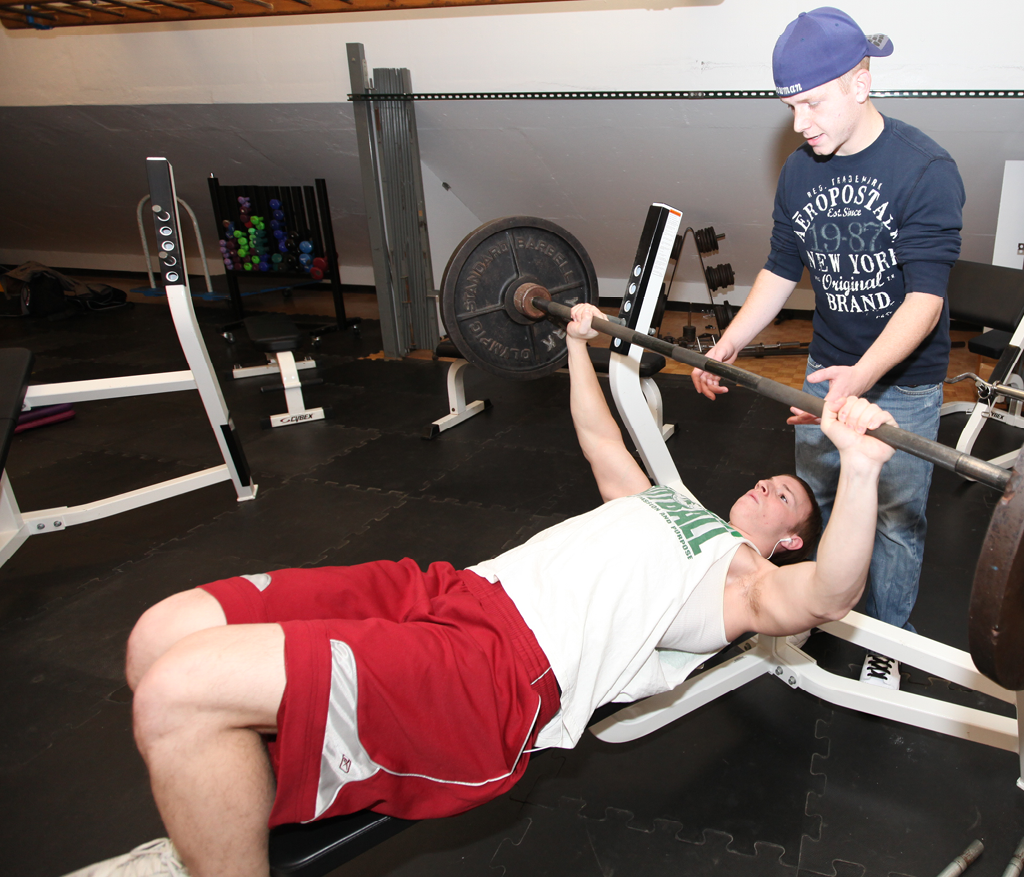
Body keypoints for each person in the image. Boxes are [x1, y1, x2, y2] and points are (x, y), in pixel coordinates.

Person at [69, 303, 900, 877]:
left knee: (181, 690)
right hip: (447, 591)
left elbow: (826, 599)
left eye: (785, 495)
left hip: (496, 673)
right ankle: (211, 827)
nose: (766, 485)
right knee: (160, 634)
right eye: (767, 478)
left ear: (791, 538)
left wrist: (856, 473)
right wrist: (578, 342)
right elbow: (596, 431)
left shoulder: (749, 588)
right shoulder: (666, 501)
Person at [691, 8, 966, 689]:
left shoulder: (925, 169)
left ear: (860, 82)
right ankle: (807, 610)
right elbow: (781, 272)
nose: (799, 122)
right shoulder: (798, 173)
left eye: (810, 103)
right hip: (827, 369)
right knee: (814, 498)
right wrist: (728, 342)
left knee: (898, 519)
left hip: (901, 382)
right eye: (789, 107)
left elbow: (924, 302)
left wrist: (861, 380)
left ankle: (888, 640)